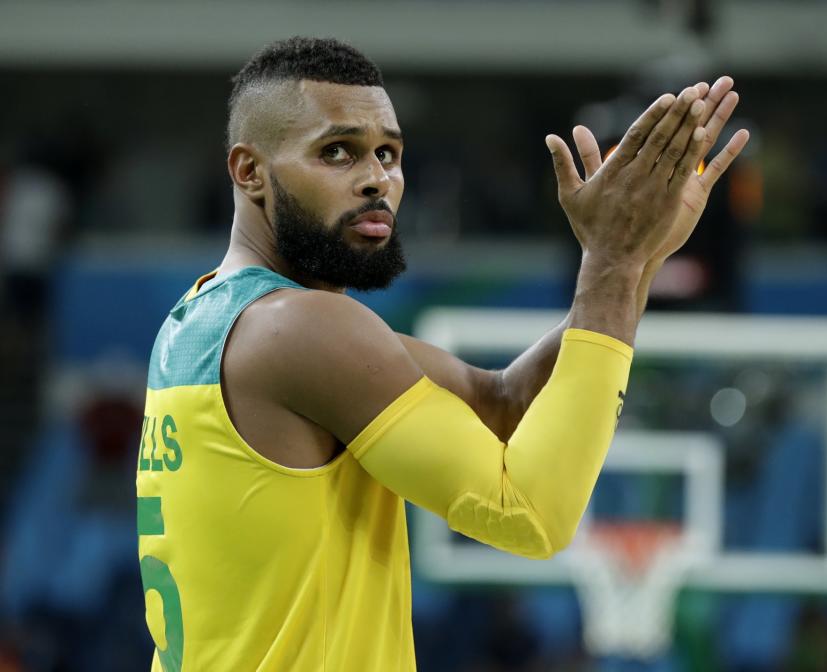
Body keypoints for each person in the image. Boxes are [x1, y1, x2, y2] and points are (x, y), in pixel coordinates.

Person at [135, 36, 748, 671]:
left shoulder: (212, 320)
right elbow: (530, 515)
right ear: (249, 171)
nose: (376, 178)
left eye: (388, 154)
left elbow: (501, 403)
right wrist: (613, 264)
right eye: (336, 152)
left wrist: (636, 258)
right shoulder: (300, 329)